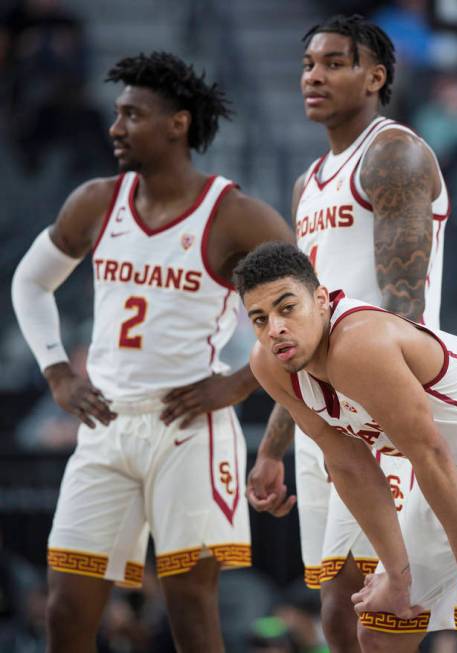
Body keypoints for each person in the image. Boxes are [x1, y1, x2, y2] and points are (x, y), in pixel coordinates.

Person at [10, 52, 293, 652]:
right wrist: (58, 371)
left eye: (133, 115)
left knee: (190, 609)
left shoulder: (237, 216)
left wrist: (241, 383)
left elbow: (310, 315)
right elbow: (29, 283)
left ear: (178, 123)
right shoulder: (94, 201)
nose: (116, 127)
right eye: (117, 114)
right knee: (65, 609)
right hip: (106, 424)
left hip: (189, 428)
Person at [235, 241, 457, 653]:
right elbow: (350, 466)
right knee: (382, 629)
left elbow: (430, 454)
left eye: (287, 308)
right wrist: (397, 576)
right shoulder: (269, 363)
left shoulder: (358, 345)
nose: (275, 328)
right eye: (259, 319)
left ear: (320, 300)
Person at [244, 14, 448, 652]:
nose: (314, 76)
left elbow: (404, 308)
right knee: (337, 611)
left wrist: (386, 417)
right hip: (320, 410)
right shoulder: (309, 182)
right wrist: (276, 444)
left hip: (375, 406)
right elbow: (296, 329)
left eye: (335, 63)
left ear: (375, 76)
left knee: (380, 612)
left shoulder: (394, 154)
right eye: (309, 64)